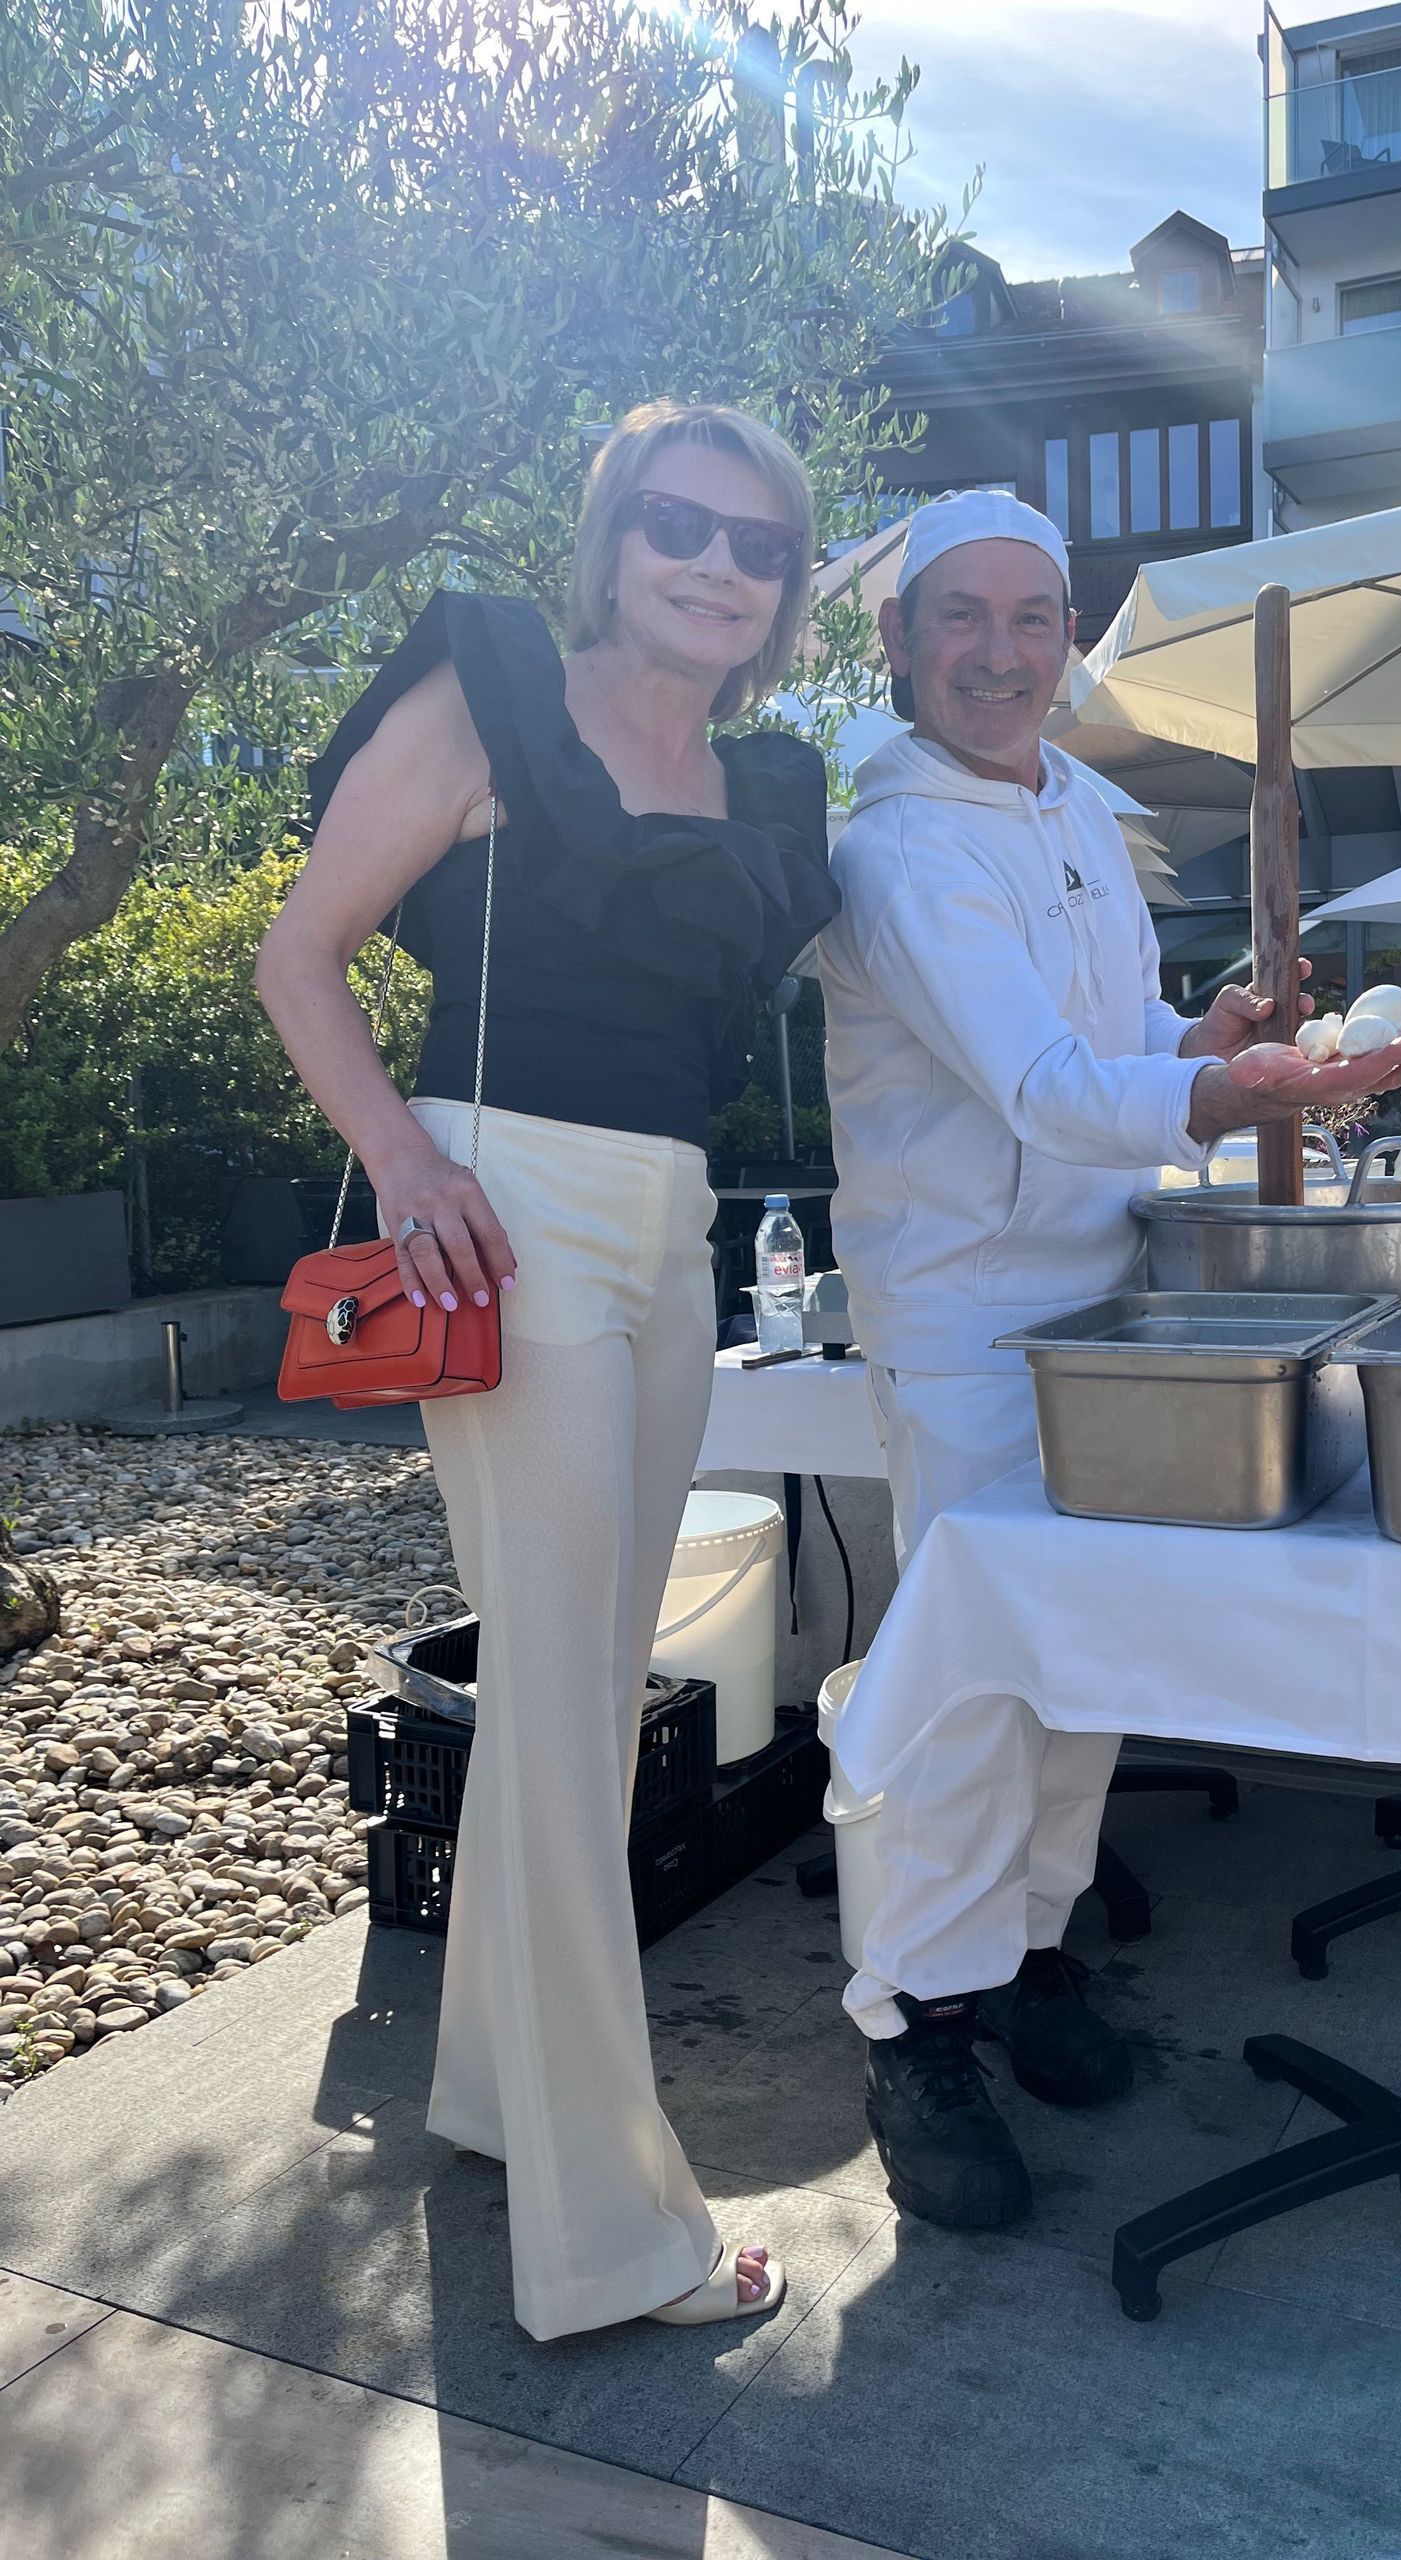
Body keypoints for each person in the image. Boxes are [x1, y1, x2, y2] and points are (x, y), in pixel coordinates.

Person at [817, 489, 1401, 2230]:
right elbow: (1033, 1086)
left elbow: (1105, 1055)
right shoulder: (893, 848)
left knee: (1078, 1667)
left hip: (1102, 1296)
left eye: (1035, 619)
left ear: (1068, 641)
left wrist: (1208, 1040)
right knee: (964, 1687)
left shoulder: (1083, 821)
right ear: (897, 644)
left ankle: (1024, 1960)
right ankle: (911, 2024)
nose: (1003, 653)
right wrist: (1226, 1096)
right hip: (959, 1316)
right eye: (962, 617)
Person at [256, 401, 836, 2338]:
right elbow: (302, 954)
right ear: (614, 534)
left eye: (756, 546)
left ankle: (502, 2087)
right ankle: (615, 2238)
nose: (715, 566)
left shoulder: (763, 783)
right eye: (681, 523)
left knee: (588, 1686)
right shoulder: (492, 690)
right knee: (570, 1684)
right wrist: (408, 1163)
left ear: (785, 588)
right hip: (502, 1210)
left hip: (669, 1241)